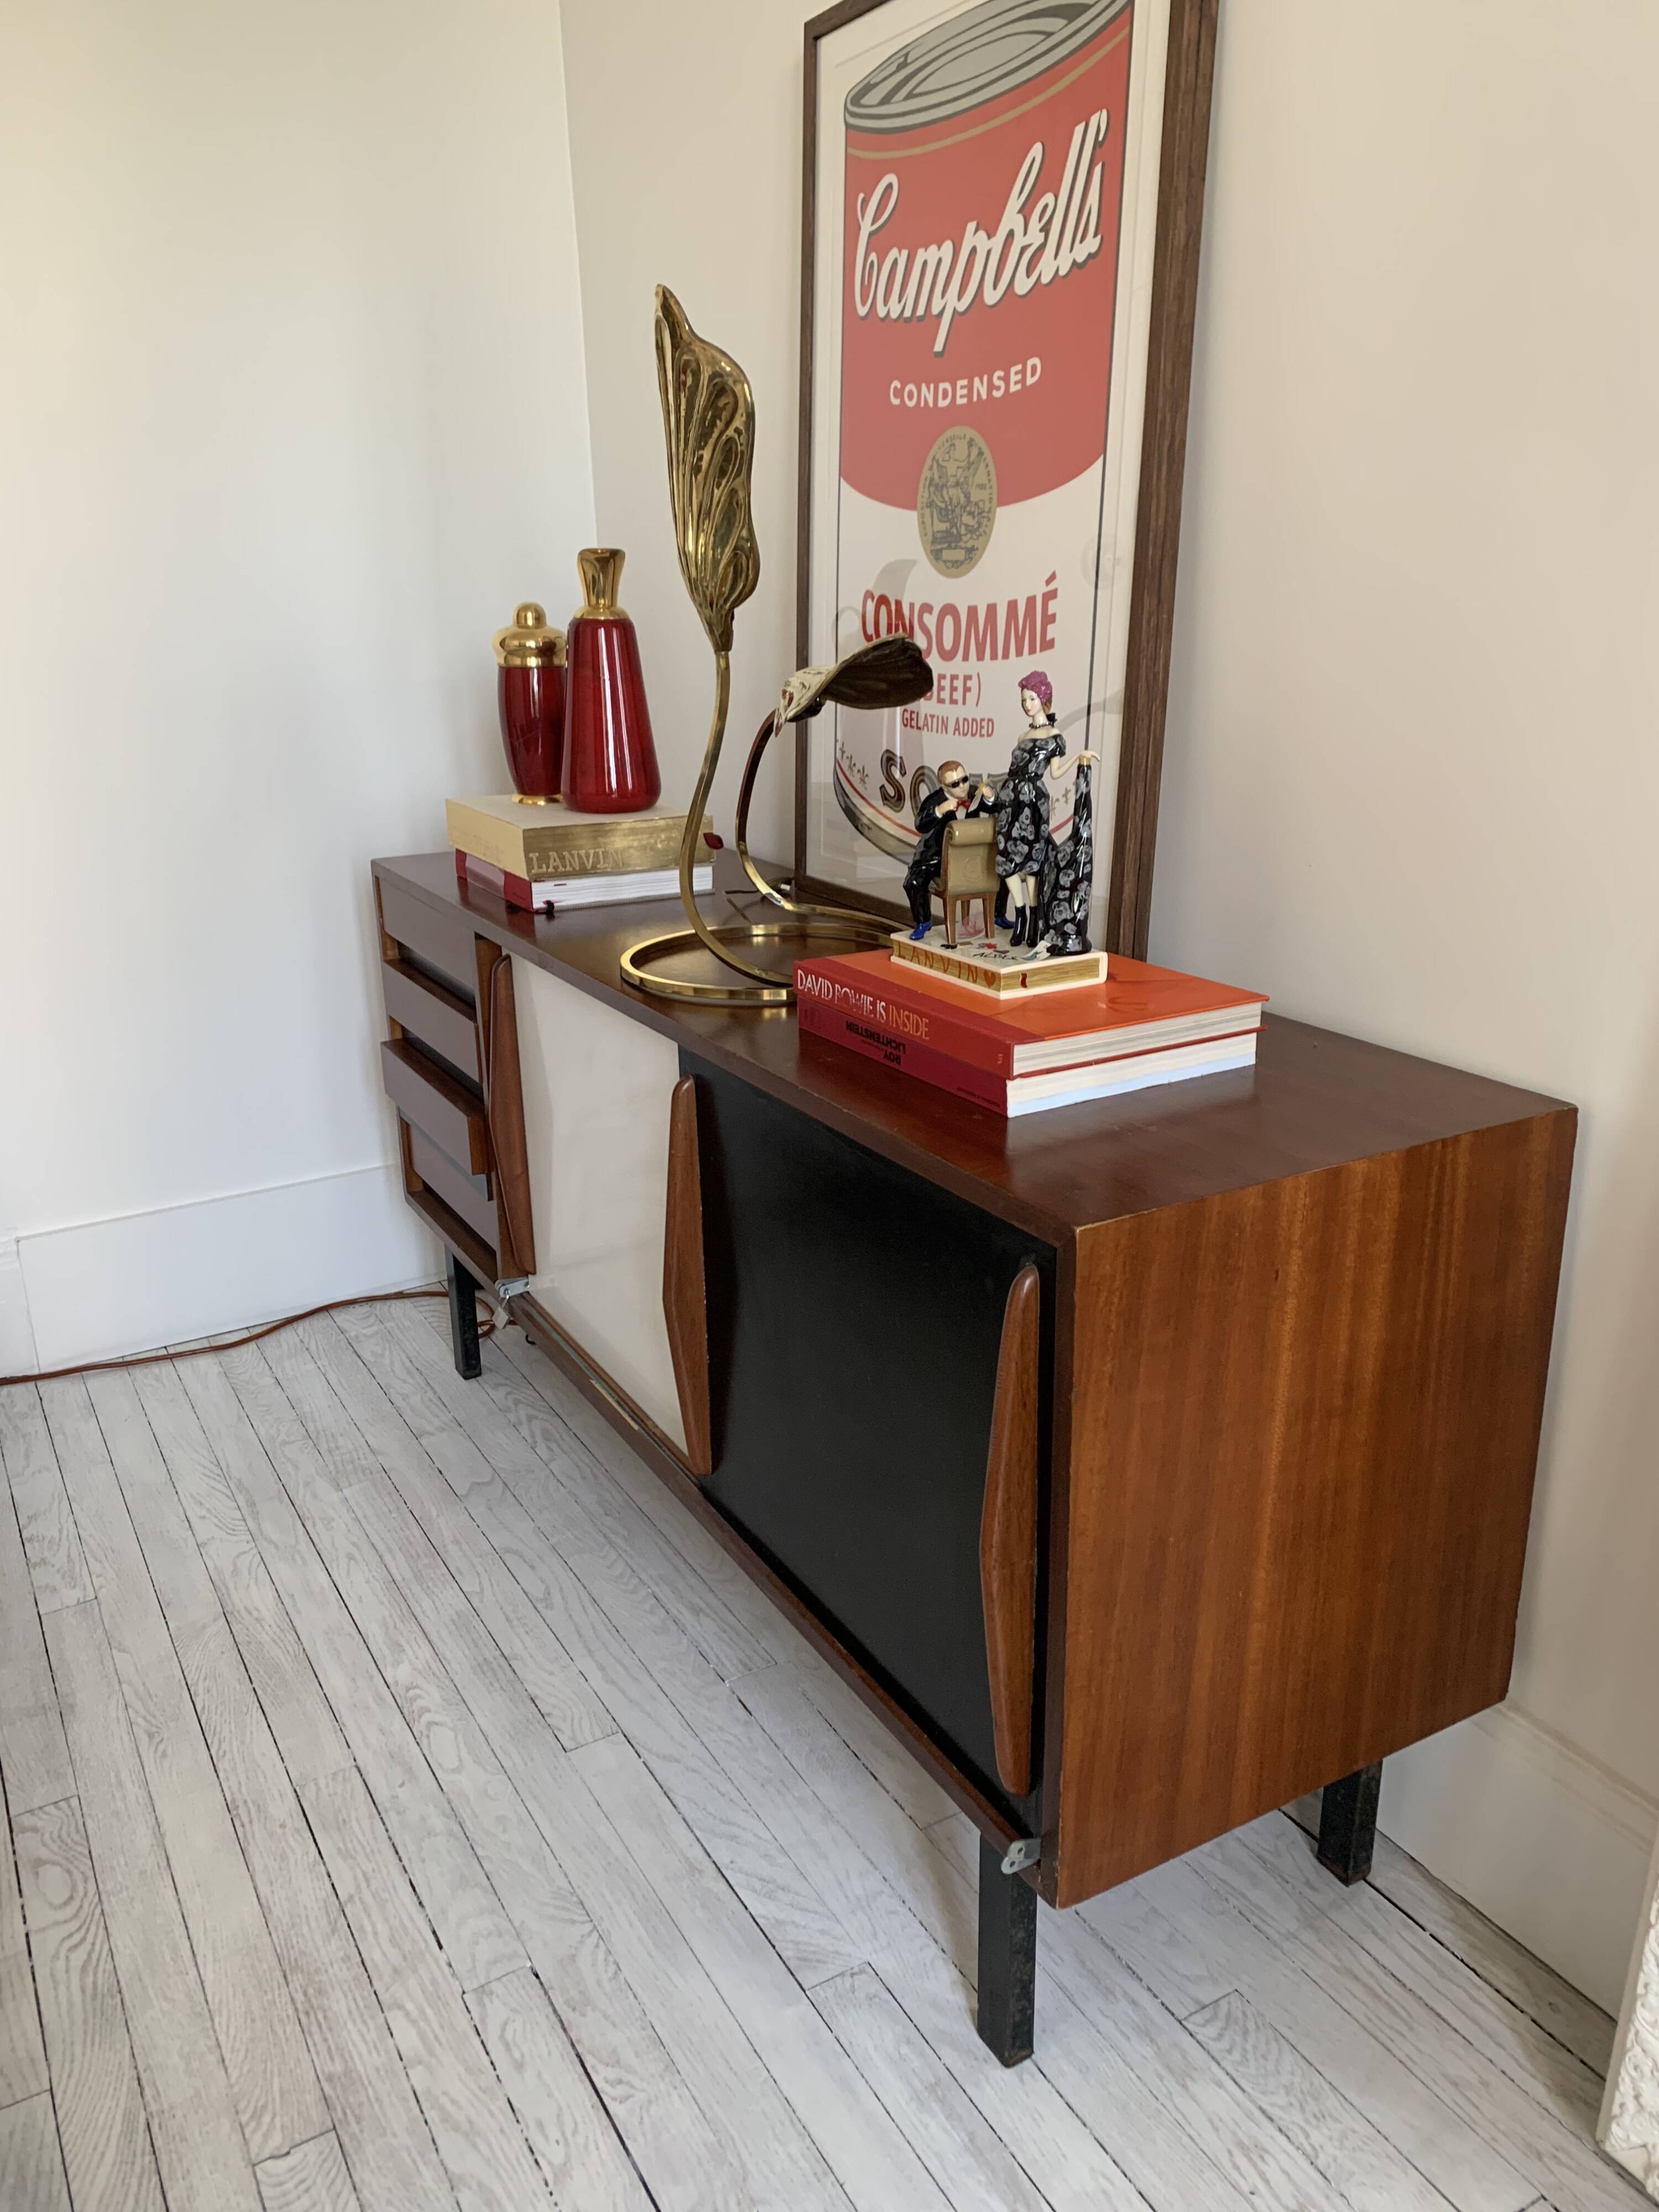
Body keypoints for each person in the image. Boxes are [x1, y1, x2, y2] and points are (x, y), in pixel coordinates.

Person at [995, 672, 1097, 948]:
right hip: (1011, 798)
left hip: (1034, 799)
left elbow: (1055, 773)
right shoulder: (1022, 736)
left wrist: (1079, 758)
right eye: (1024, 700)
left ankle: (1033, 919)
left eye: (1032, 699)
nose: (1028, 704)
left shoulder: (1055, 737)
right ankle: (1019, 915)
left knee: (1032, 861)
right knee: (1007, 860)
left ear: (1043, 699)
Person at [903, 759, 994, 937]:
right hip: (938, 855)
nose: (962, 786)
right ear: (944, 787)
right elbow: (920, 824)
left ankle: (998, 915)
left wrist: (990, 796)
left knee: (1005, 870)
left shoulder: (974, 793)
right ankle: (923, 921)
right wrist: (939, 811)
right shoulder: (934, 800)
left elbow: (997, 806)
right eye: (955, 784)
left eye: (964, 780)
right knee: (914, 882)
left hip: (971, 854)